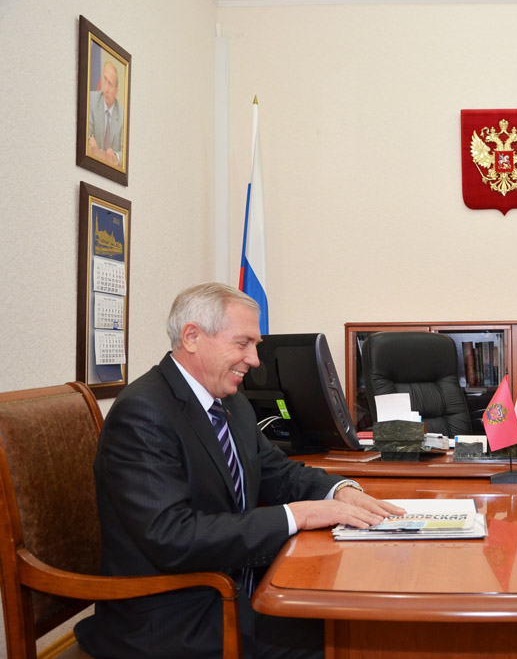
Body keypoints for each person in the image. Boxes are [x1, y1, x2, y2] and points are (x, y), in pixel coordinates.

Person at [74, 282, 405, 659]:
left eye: (255, 346)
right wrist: (299, 515)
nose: (255, 360)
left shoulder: (231, 403)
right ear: (192, 337)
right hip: (173, 618)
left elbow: (278, 473)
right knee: (359, 639)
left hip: (232, 588)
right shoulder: (144, 412)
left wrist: (340, 491)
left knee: (358, 618)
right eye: (243, 343)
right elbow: (172, 537)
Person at [87, 59, 123, 166]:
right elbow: (86, 133)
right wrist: (89, 140)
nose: (106, 88)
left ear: (116, 91)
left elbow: (126, 152)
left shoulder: (123, 115)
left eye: (110, 84)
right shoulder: (91, 99)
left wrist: (116, 155)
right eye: (105, 80)